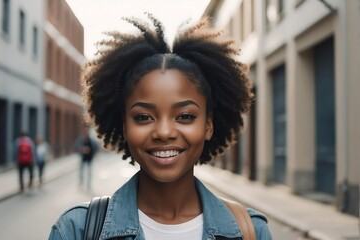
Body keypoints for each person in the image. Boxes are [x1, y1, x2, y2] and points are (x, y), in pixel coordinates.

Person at [49, 14, 272, 239]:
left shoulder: (252, 232)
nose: (164, 132)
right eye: (143, 117)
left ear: (208, 125)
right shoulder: (75, 231)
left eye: (185, 116)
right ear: (124, 126)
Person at [75, 126, 98, 191]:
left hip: (89, 158)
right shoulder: (80, 140)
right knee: (81, 172)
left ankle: (88, 185)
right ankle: (81, 184)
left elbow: (96, 148)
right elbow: (76, 147)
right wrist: (82, 150)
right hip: (82, 158)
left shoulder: (91, 140)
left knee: (89, 172)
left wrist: (93, 154)